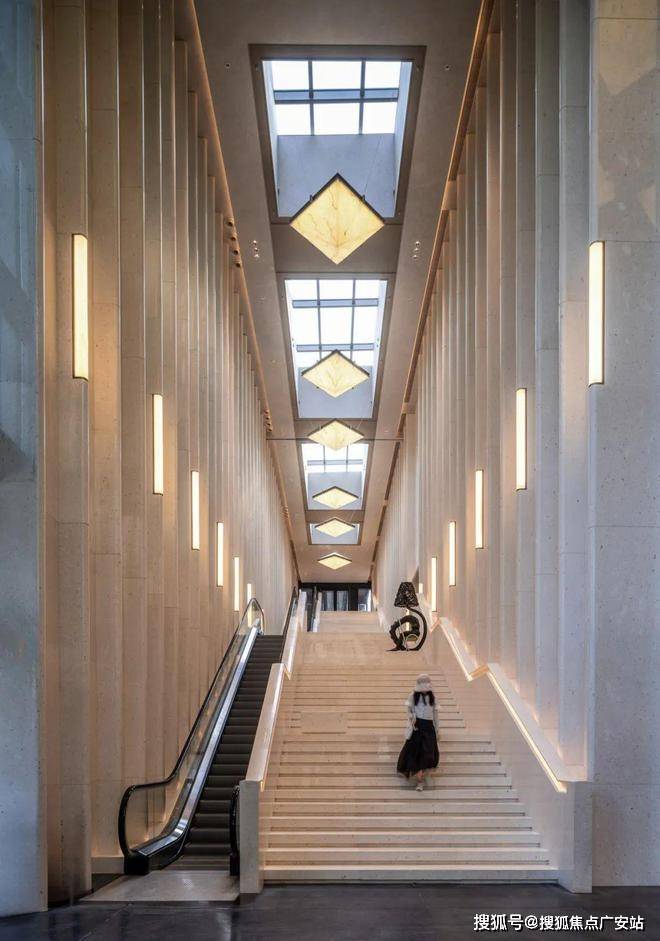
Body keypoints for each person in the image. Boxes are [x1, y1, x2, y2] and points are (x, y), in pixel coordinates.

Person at [396, 673, 439, 791]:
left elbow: (435, 714)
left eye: (428, 683)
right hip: (417, 727)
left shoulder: (433, 697)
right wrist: (412, 717)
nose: (427, 686)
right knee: (418, 754)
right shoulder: (412, 696)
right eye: (424, 684)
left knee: (427, 754)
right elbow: (409, 711)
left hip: (429, 728)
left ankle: (421, 778)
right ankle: (420, 781)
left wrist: (437, 729)